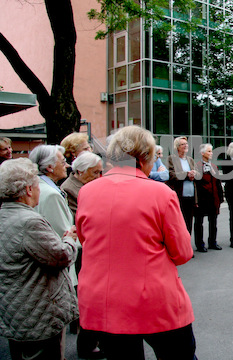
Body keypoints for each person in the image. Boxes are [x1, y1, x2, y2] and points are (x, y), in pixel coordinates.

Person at [76, 125, 197, 359]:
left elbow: (86, 238)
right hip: (153, 299)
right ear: (144, 158)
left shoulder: (87, 192)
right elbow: (182, 252)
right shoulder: (160, 193)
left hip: (103, 300)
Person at [0, 158, 78, 360]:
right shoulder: (30, 222)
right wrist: (69, 240)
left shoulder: (4, 215)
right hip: (37, 311)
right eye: (36, 186)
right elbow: (60, 256)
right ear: (28, 190)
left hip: (14, 306)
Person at [60, 151, 104, 358]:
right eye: (95, 173)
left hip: (89, 247)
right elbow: (83, 219)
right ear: (80, 172)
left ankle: (92, 342)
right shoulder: (70, 189)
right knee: (91, 299)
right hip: (82, 248)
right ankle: (87, 345)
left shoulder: (84, 186)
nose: (99, 177)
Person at [194, 143, 224, 252]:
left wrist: (220, 197)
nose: (211, 153)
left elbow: (218, 183)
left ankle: (212, 242)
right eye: (209, 151)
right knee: (199, 222)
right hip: (202, 198)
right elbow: (197, 183)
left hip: (213, 198)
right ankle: (200, 244)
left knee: (213, 221)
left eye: (212, 151)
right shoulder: (197, 166)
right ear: (202, 153)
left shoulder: (214, 166)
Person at [167, 137, 198, 236]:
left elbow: (197, 175)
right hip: (179, 196)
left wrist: (194, 174)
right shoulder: (171, 159)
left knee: (189, 223)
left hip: (191, 196)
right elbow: (171, 174)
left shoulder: (190, 160)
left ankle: (188, 246)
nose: (186, 146)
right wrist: (186, 174)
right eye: (183, 144)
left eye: (187, 144)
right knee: (179, 224)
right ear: (177, 147)